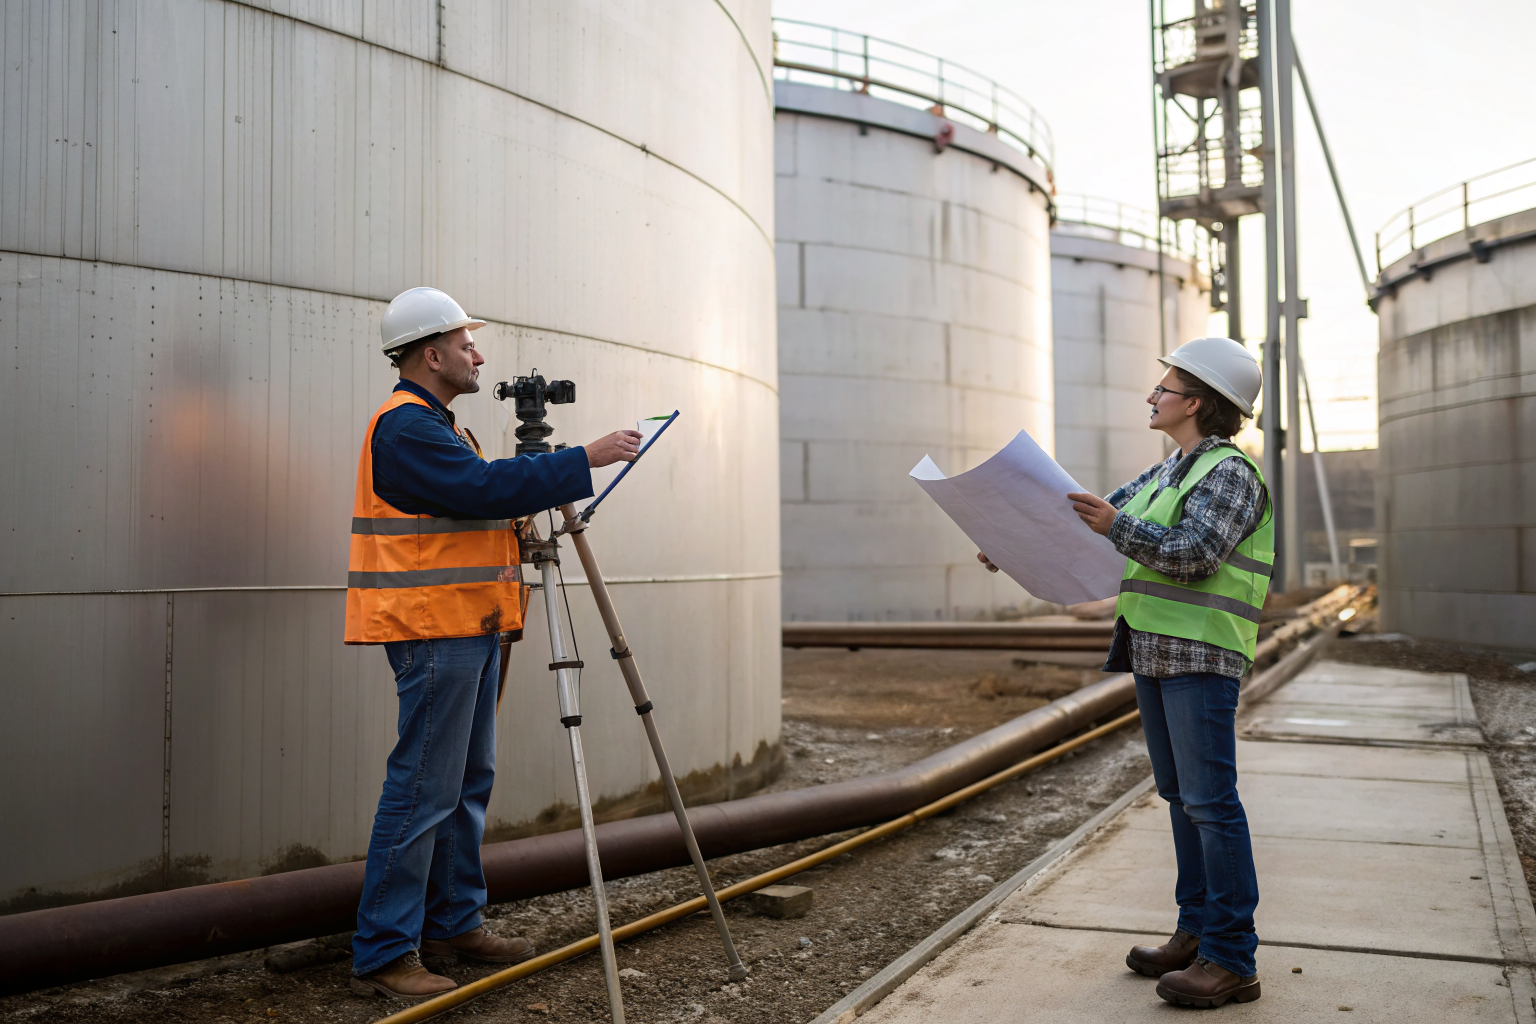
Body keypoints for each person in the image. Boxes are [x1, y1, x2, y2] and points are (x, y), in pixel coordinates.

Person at [345, 287, 642, 1000]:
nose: (479, 355)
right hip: (434, 630)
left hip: (469, 627)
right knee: (423, 789)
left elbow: (475, 505)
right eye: (466, 343)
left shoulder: (442, 426)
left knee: (465, 783)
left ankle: (452, 923)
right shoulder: (406, 427)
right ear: (432, 353)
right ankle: (385, 953)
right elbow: (479, 490)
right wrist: (582, 459)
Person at [979, 336, 1271, 1009]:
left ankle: (1233, 958)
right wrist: (1010, 538)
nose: (1152, 396)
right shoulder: (1168, 472)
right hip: (1156, 652)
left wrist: (1115, 526)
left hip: (1201, 656)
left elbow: (1194, 553)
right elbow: (1086, 519)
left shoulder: (1229, 472)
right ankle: (1195, 932)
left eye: (1163, 388)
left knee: (1211, 805)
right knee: (1181, 799)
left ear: (1196, 401)